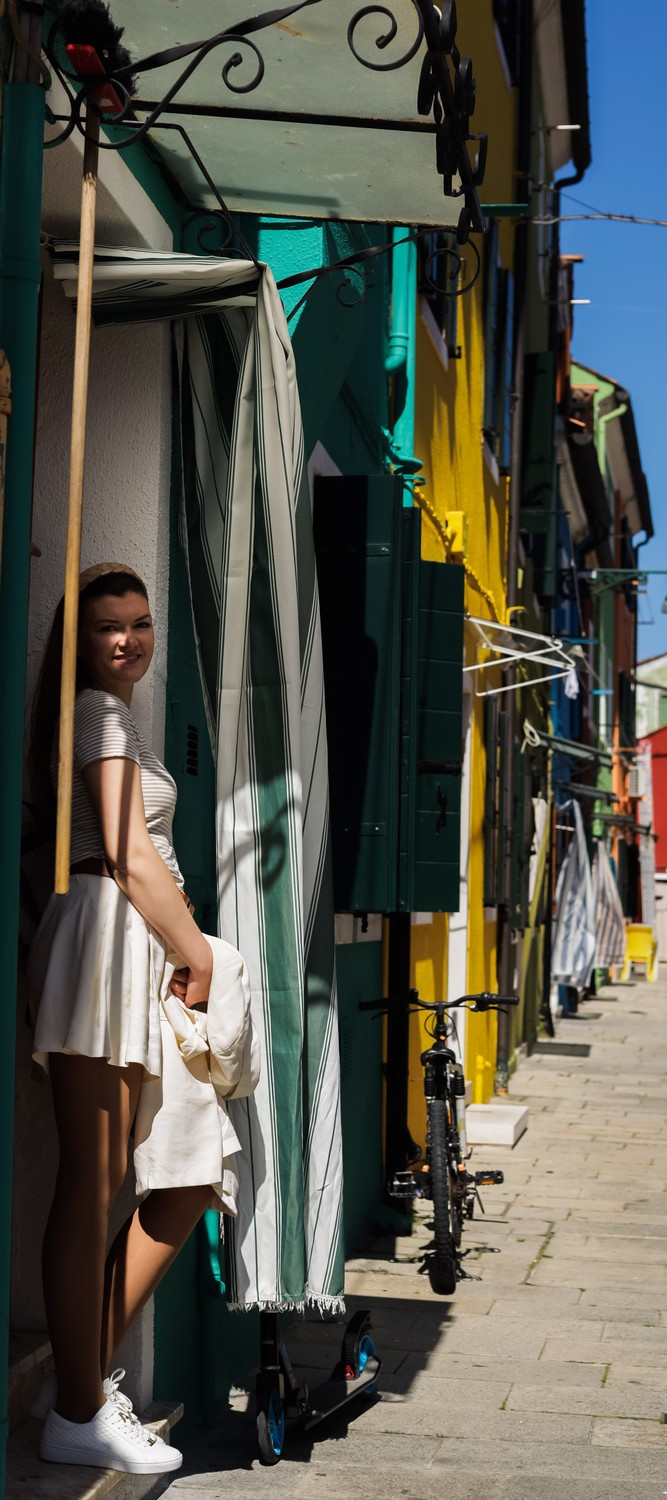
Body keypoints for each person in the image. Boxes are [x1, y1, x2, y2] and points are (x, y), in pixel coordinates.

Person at [26, 562, 216, 1476]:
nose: (128, 641)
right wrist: (200, 952)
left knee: (175, 1174)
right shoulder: (98, 713)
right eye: (108, 627)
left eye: (139, 624)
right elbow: (128, 851)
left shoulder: (113, 714)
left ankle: (80, 1383)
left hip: (122, 947)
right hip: (110, 935)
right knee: (93, 1181)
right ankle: (77, 1407)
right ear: (80, 638)